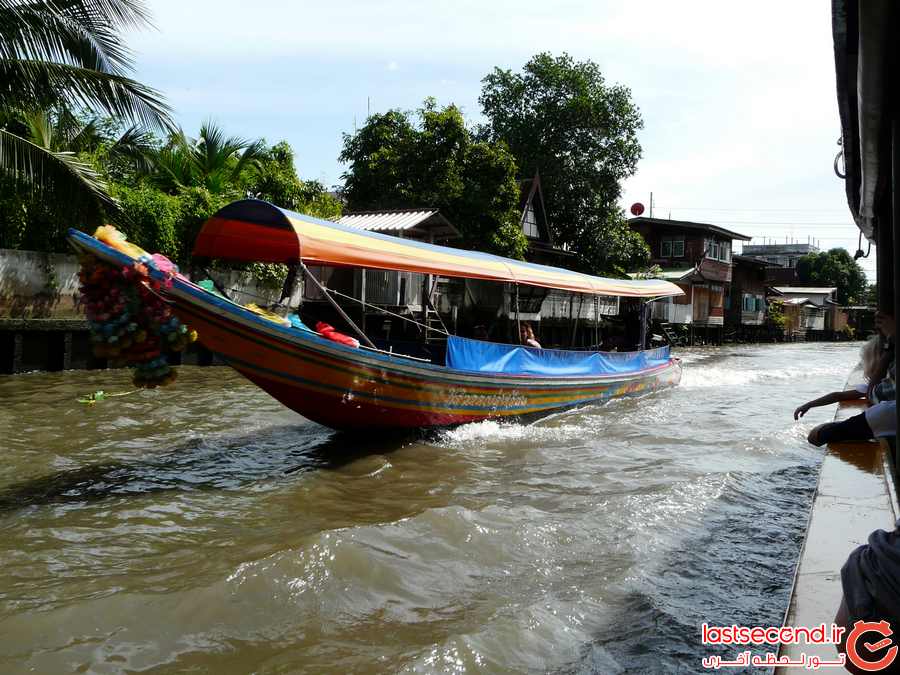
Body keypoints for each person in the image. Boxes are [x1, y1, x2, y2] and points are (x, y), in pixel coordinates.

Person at [805, 311, 895, 447]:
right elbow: (838, 396)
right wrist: (810, 404)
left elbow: (815, 437)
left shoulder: (886, 412)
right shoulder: (880, 398)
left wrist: (810, 406)